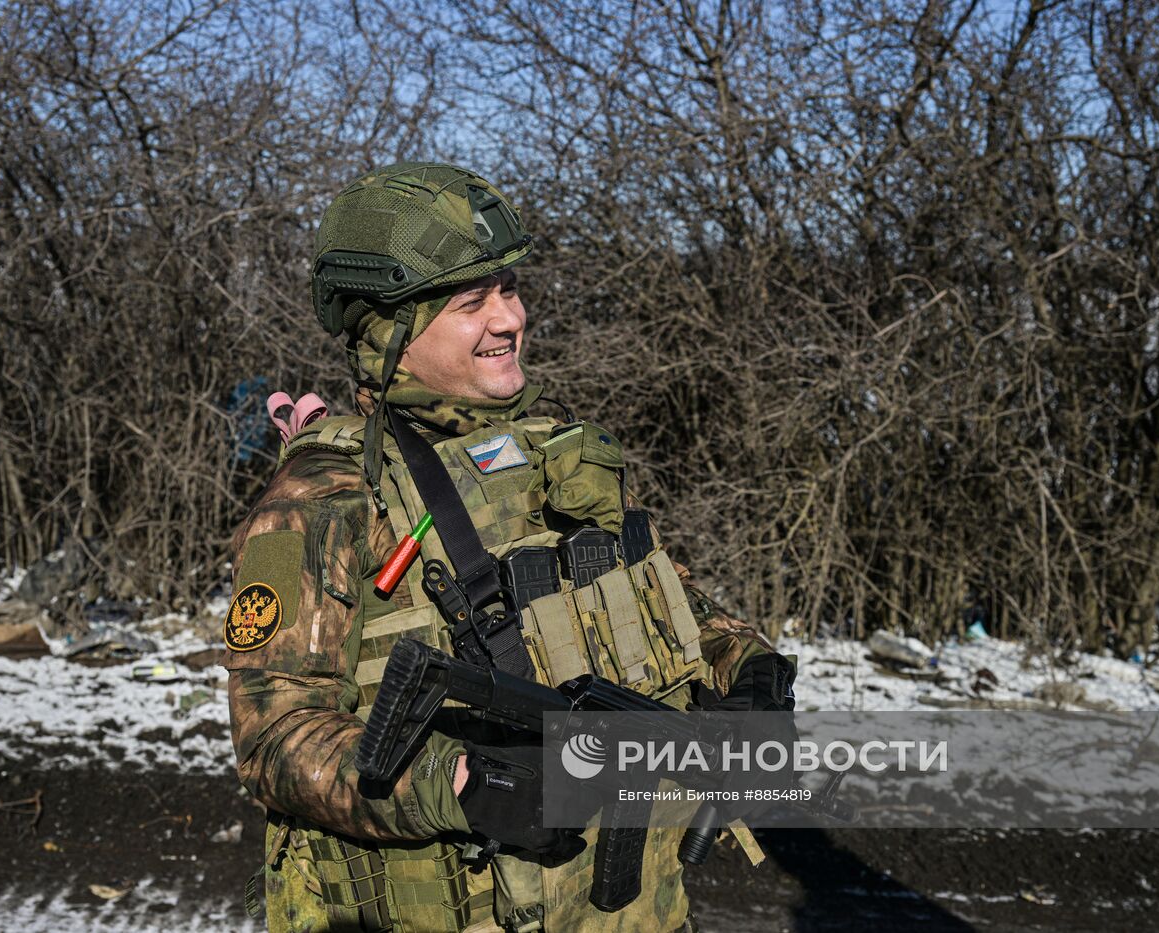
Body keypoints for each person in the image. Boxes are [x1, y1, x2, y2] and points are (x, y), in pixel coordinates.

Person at [220, 162, 796, 933]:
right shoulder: (321, 501)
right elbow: (273, 740)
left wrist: (748, 664)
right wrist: (457, 782)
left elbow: (665, 600)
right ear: (390, 331)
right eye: (471, 301)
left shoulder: (556, 455)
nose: (509, 317)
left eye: (509, 288)